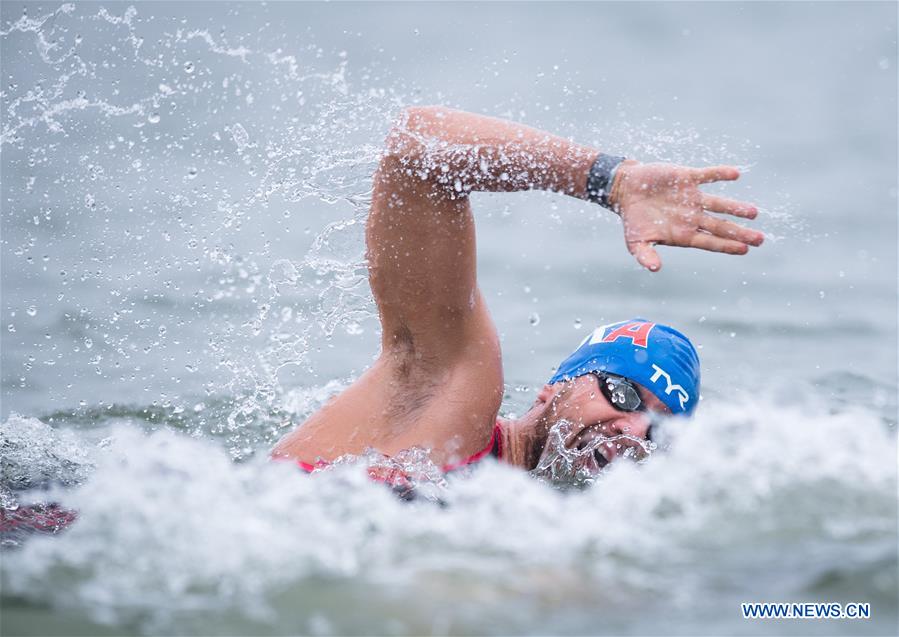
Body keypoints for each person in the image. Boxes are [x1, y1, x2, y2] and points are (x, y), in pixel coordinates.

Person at [271, 106, 763, 480]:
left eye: (659, 431)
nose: (633, 431)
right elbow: (417, 147)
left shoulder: (540, 527)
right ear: (556, 386)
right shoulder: (452, 400)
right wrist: (609, 181)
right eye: (622, 392)